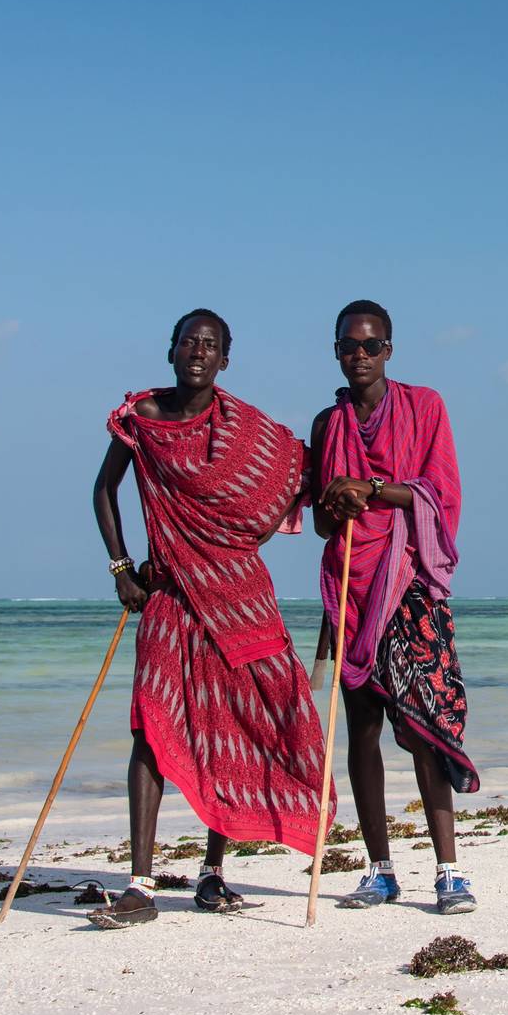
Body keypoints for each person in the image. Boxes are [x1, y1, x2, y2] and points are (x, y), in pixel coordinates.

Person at [89, 309, 331, 928]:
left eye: (211, 345)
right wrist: (121, 570)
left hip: (238, 593)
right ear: (170, 350)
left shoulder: (245, 430)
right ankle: (140, 886)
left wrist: (353, 481)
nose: (198, 351)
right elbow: (103, 490)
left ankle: (213, 873)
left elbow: (301, 471)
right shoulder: (140, 419)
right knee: (152, 722)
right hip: (169, 594)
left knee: (233, 726)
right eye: (189, 342)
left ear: (226, 359)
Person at [308, 299, 479, 915]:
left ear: (390, 350)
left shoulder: (425, 405)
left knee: (425, 725)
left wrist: (374, 489)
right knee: (362, 732)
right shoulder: (327, 426)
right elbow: (322, 516)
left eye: (371, 345)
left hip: (408, 583)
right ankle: (379, 870)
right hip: (350, 583)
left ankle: (449, 870)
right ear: (335, 352)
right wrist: (337, 504)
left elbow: (441, 493)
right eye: (348, 346)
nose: (359, 356)